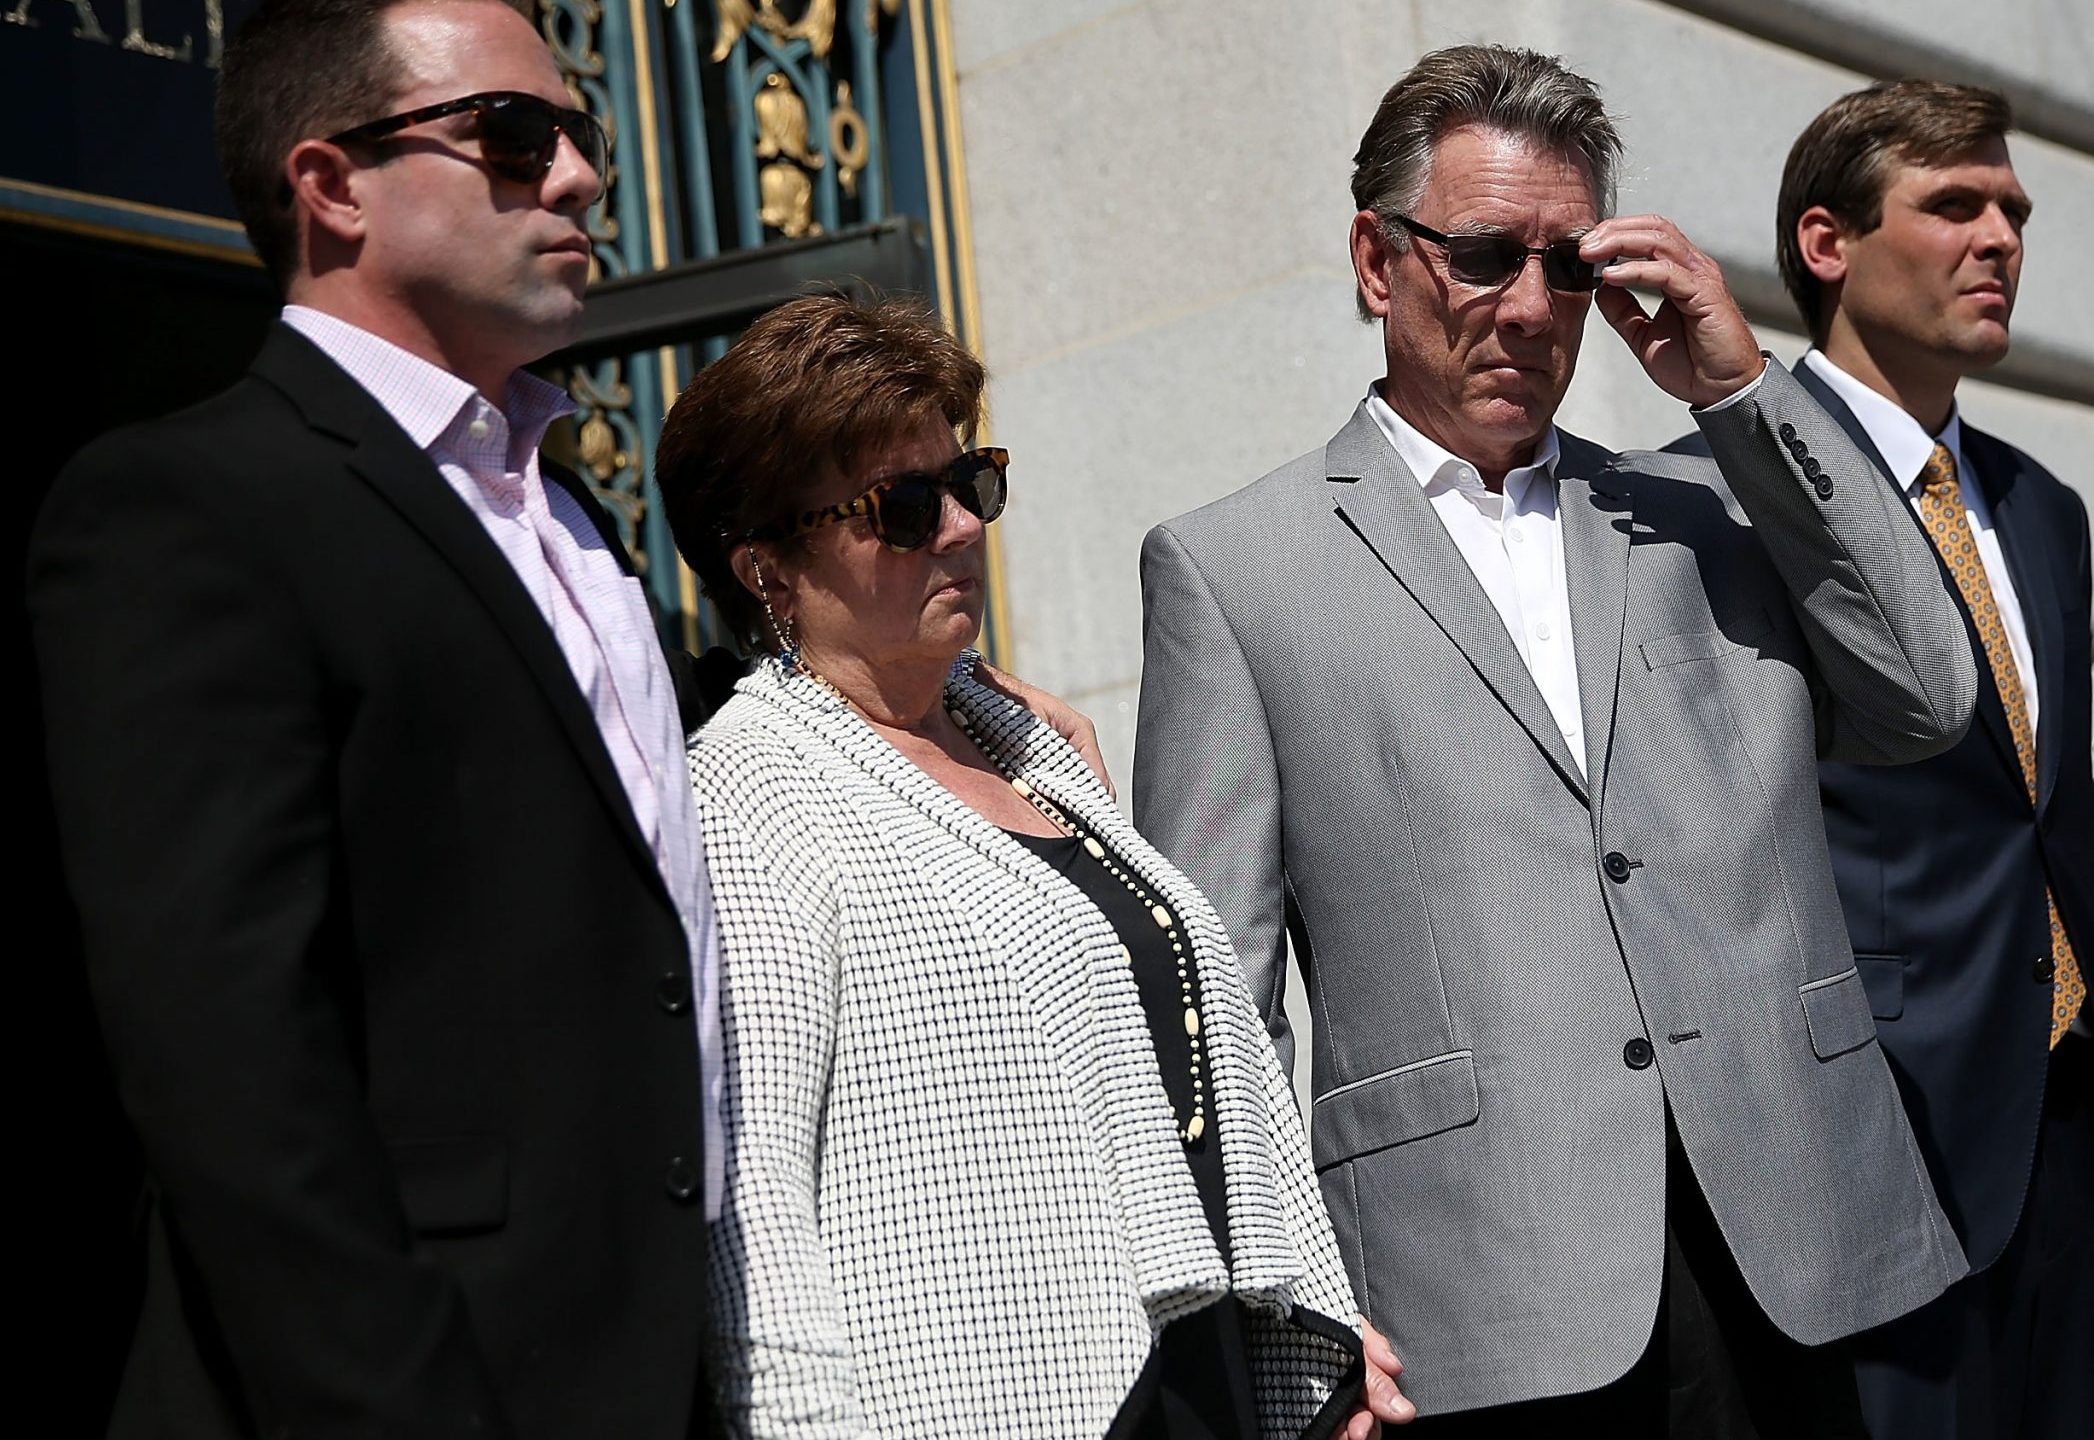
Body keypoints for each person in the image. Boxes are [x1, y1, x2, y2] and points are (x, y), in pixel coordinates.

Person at [1134, 44, 1977, 1436]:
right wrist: (1283, 1309)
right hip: (1474, 1287)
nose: (1531, 308)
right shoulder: (1234, 569)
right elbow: (1215, 991)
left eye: (1568, 266)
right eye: (1482, 256)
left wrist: (1744, 388)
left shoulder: (1710, 500)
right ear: (1375, 258)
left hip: (1793, 1246)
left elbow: (1928, 691)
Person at [30, 0, 718, 1433]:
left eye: (585, 133)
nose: (581, 177)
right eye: (514, 136)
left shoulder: (576, 515)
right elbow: (228, 1058)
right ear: (329, 185)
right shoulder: (187, 506)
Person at [659, 293, 1400, 1440]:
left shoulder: (1027, 741)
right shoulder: (749, 793)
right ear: (766, 569)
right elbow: (750, 1199)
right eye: (901, 507)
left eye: (972, 482)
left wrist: (1317, 1338)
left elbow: (1188, 1070)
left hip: (1190, 1372)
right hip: (990, 1396)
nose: (960, 526)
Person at [1671, 80, 2094, 1439]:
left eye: (2012, 210)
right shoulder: (1706, 502)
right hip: (1868, 1145)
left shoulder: (2041, 507)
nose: (1999, 237)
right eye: (1954, 206)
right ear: (1827, 244)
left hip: (2072, 1140)